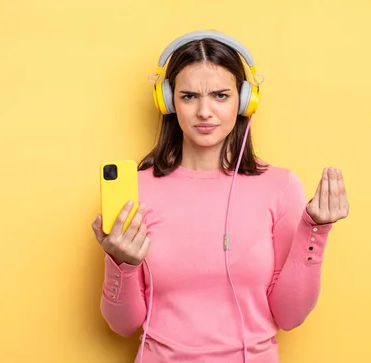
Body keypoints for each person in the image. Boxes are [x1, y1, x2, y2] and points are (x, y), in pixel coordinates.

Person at [91, 30, 350, 363]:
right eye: (188, 96)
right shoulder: (137, 191)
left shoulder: (280, 187)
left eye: (220, 95)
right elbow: (123, 325)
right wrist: (120, 264)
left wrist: (315, 230)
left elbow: (290, 316)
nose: (204, 111)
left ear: (244, 101)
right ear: (168, 101)